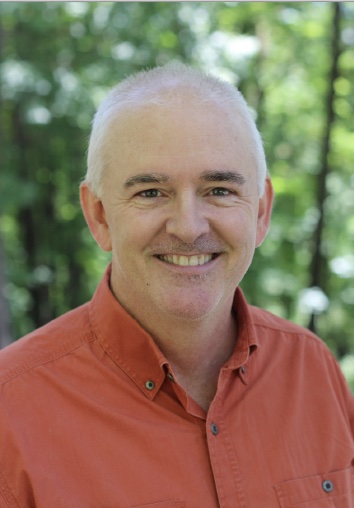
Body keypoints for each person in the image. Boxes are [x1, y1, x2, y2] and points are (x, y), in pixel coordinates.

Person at [0, 62, 353, 508]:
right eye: (151, 192)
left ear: (261, 212)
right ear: (99, 215)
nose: (188, 228)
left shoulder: (312, 371)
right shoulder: (9, 414)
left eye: (219, 189)